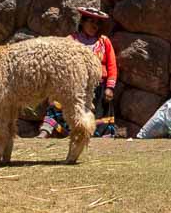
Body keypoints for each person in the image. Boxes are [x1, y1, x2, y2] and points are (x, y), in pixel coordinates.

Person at [38, 7, 118, 138]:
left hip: (98, 87)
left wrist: (110, 87)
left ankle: (101, 137)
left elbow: (112, 65)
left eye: (98, 23)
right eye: (91, 21)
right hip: (74, 86)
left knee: (99, 111)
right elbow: (60, 63)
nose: (95, 26)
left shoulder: (104, 42)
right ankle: (46, 130)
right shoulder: (70, 40)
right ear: (82, 22)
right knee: (60, 105)